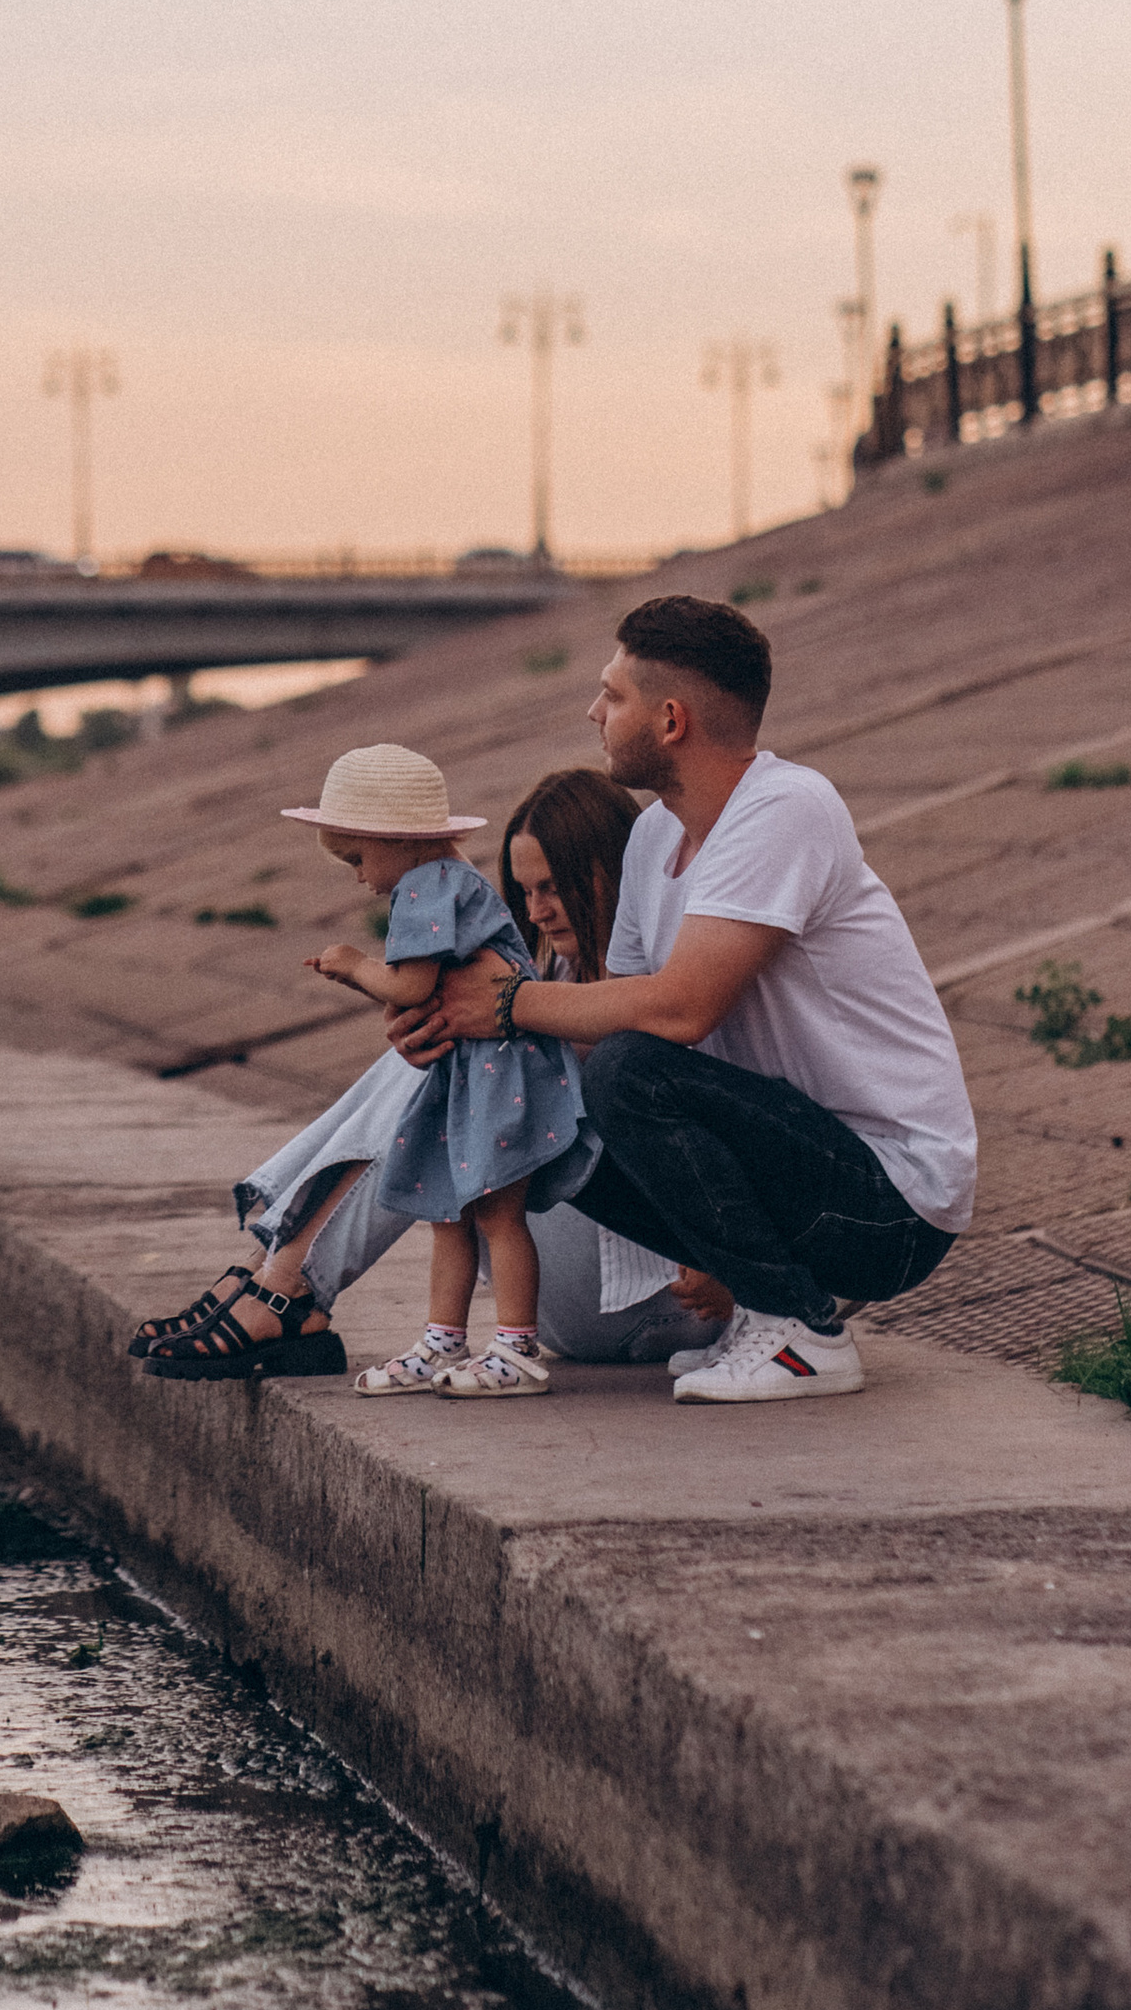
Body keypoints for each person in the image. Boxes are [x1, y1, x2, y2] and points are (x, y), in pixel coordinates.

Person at [389, 594, 975, 1404]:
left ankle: (799, 1333)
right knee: (559, 1102)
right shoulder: (656, 835)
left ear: (671, 720)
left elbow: (679, 1011)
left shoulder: (786, 808)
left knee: (628, 1071)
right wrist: (457, 1032)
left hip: (889, 1201)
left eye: (612, 695)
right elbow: (607, 1018)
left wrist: (509, 1004)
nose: (594, 712)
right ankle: (763, 1313)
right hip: (796, 1167)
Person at [130, 764, 707, 1374]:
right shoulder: (552, 975)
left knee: (456, 1053)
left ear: (614, 870)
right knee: (446, 1051)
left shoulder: (671, 978)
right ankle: (271, 1270)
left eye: (556, 888)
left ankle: (285, 1286)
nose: (537, 911)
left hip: (654, 1299)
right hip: (567, 1281)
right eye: (526, 891)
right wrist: (419, 1027)